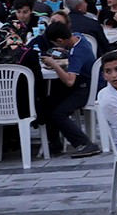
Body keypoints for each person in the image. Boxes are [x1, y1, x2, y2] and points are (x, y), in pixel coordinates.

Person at [35, 18, 99, 157]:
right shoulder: (79, 37)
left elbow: (70, 81)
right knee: (47, 103)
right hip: (82, 83)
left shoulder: (76, 53)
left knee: (58, 113)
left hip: (84, 88)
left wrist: (55, 65)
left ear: (59, 40)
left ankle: (86, 144)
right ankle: (55, 144)